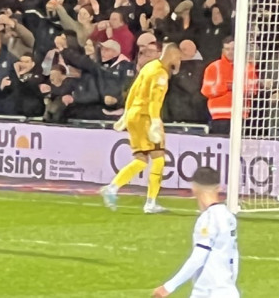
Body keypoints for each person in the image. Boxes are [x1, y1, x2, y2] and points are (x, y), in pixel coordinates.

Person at [100, 42, 182, 213]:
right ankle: (150, 203)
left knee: (141, 160)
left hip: (134, 115)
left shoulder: (149, 66)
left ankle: (112, 187)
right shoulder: (160, 73)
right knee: (158, 158)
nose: (179, 61)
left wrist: (126, 112)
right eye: (179, 57)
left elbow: (133, 90)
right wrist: (154, 121)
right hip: (145, 116)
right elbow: (154, 100)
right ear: (172, 55)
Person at [152, 166, 239, 297]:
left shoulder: (208, 218)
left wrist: (168, 287)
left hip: (208, 292)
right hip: (228, 291)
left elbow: (199, 256)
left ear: (194, 188)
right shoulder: (228, 216)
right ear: (218, 188)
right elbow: (234, 256)